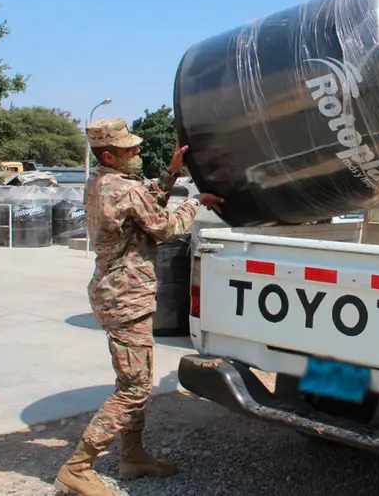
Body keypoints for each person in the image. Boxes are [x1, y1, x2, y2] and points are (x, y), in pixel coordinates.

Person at [54, 118, 223, 495]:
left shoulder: (105, 182)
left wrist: (169, 175)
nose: (137, 153)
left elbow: (145, 205)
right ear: (110, 155)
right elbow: (164, 229)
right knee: (134, 389)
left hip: (120, 292)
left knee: (132, 379)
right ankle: (77, 467)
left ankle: (133, 457)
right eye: (130, 149)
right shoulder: (119, 187)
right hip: (125, 295)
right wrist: (194, 202)